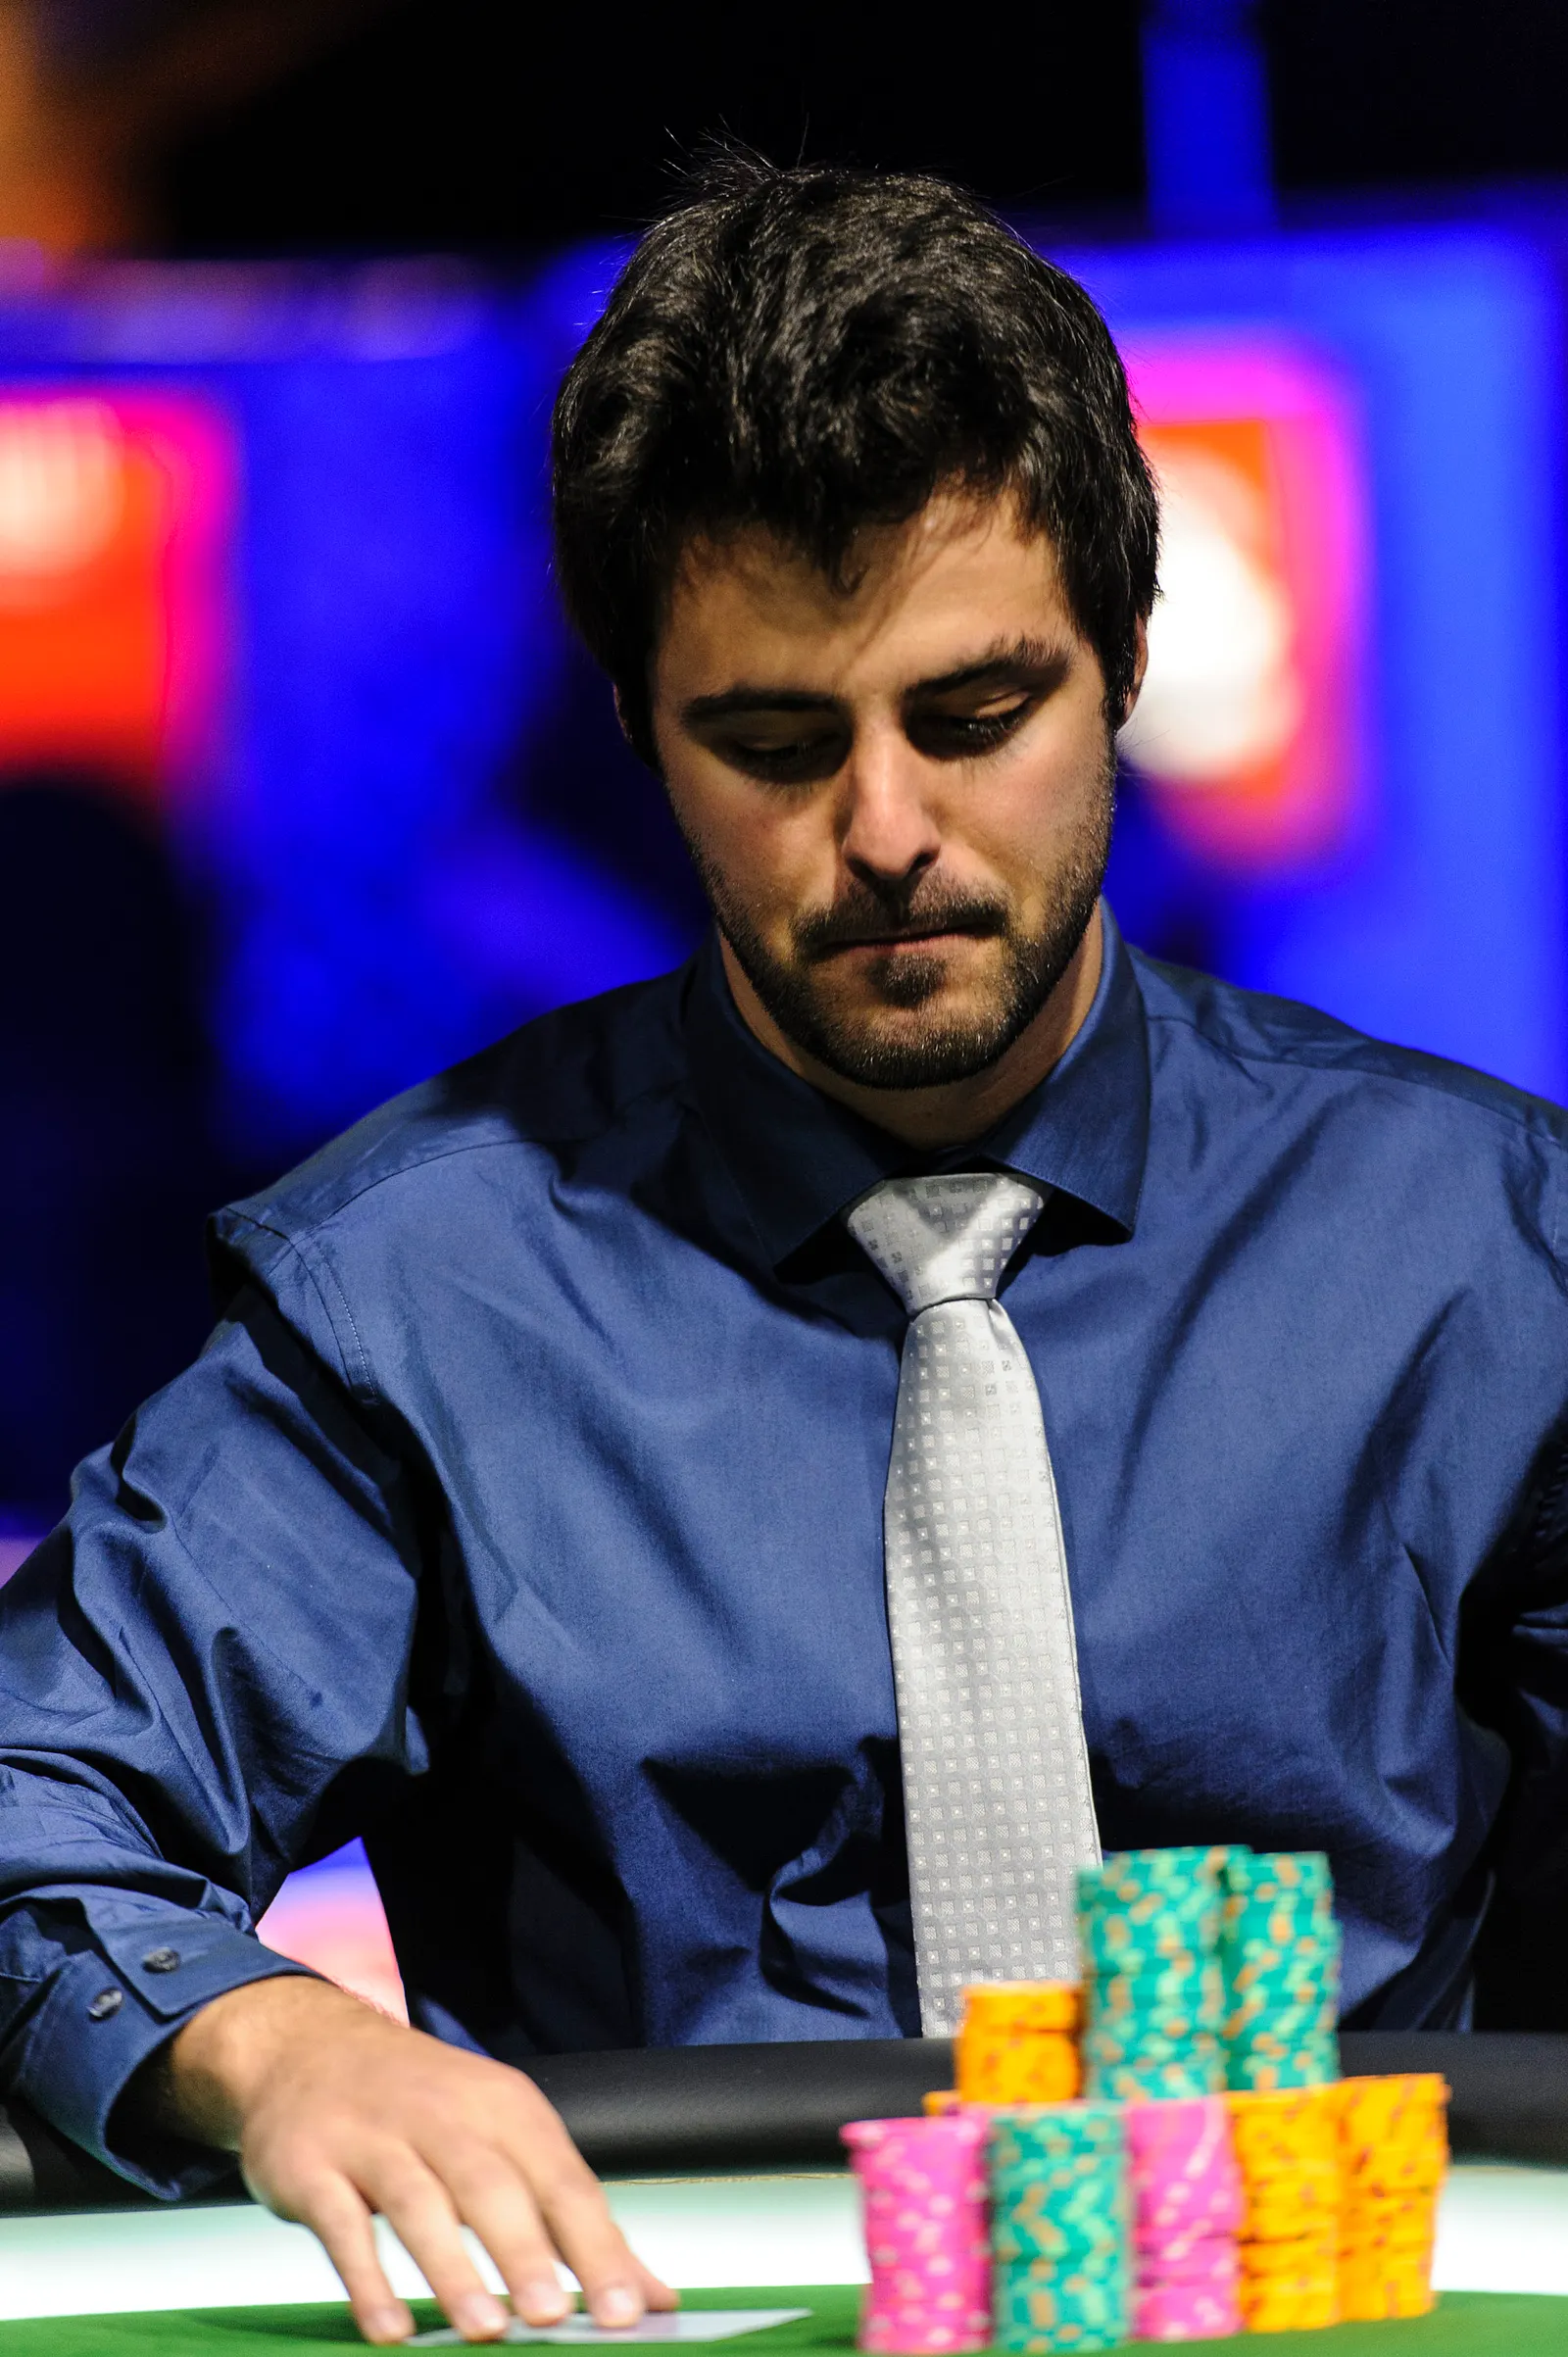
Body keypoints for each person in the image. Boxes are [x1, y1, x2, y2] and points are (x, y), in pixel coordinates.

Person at [2, 154, 1567, 2347]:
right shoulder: (418, 1298)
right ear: (638, 732)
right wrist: (274, 2045)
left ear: (1126, 660)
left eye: (975, 714)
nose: (886, 831)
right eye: (771, 743)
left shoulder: (1486, 1248)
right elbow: (35, 1792)